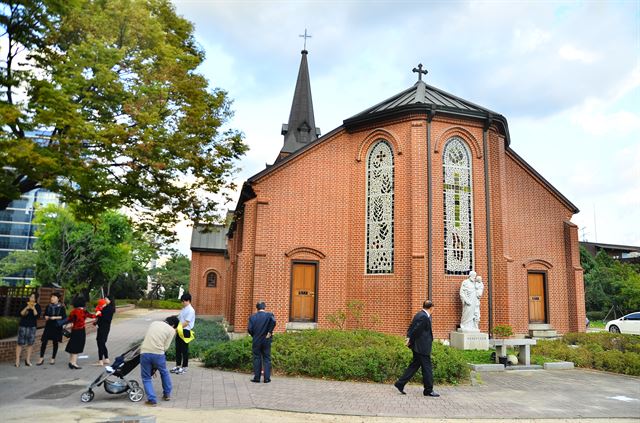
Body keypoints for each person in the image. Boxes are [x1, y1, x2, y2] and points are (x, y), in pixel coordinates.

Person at [394, 300, 439, 397]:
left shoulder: (418, 314)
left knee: (414, 366)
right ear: (431, 308)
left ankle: (400, 383)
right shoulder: (424, 317)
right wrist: (410, 340)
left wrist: (408, 337)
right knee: (427, 368)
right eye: (434, 308)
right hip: (422, 348)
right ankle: (428, 390)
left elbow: (411, 327)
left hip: (418, 347)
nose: (434, 310)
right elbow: (416, 330)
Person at [140, 316, 179, 407]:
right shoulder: (171, 330)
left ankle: (152, 400)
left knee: (146, 378)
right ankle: (167, 394)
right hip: (158, 354)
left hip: (145, 352)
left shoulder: (154, 323)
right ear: (173, 325)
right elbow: (166, 347)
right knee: (164, 372)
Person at [248, 301, 277, 383]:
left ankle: (257, 378)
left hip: (256, 340)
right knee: (267, 358)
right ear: (264, 307)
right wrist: (270, 332)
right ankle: (267, 378)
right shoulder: (269, 315)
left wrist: (254, 335)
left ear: (257, 308)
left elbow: (249, 329)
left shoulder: (252, 317)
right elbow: (274, 322)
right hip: (266, 339)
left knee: (257, 358)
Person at [65, 296, 95, 369]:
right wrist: (98, 312)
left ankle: (71, 362)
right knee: (77, 346)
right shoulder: (84, 311)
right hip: (80, 330)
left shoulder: (73, 311)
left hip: (74, 330)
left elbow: (69, 319)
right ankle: (74, 363)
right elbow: (92, 316)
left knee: (73, 345)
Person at [37, 291, 66, 365]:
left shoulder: (61, 307)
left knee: (55, 342)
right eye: (51, 297)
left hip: (57, 326)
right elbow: (45, 315)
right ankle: (41, 358)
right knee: (44, 342)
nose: (52, 298)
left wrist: (55, 317)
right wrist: (46, 317)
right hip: (48, 326)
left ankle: (53, 358)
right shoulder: (48, 306)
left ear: (58, 298)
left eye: (54, 297)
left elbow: (64, 317)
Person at [170, 292, 195, 375]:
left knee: (184, 350)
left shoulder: (191, 310)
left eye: (183, 301)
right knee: (178, 349)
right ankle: (178, 366)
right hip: (180, 331)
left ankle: (184, 367)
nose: (182, 303)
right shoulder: (184, 309)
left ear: (188, 301)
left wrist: (176, 329)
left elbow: (186, 323)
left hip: (185, 331)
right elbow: (179, 319)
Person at [16, 292, 42, 367]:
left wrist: (33, 308)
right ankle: (17, 360)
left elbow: (37, 316)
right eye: (31, 297)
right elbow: (21, 314)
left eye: (33, 297)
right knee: (20, 343)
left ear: (36, 299)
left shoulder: (38, 306)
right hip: (23, 326)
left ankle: (27, 360)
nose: (31, 299)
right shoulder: (24, 304)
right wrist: (27, 307)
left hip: (32, 326)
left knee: (30, 344)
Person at [94, 295, 115, 366]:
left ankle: (100, 360)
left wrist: (100, 311)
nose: (105, 300)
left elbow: (103, 317)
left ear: (110, 300)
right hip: (103, 327)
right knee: (101, 342)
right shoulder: (106, 307)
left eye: (106, 299)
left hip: (104, 327)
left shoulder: (109, 308)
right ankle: (106, 358)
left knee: (100, 342)